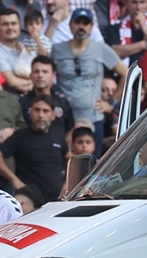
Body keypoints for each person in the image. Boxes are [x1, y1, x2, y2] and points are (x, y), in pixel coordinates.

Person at [51, 8, 126, 155]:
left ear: (91, 27)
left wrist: (111, 103)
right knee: (65, 165)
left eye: (85, 23)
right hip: (65, 120)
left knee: (93, 166)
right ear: (70, 25)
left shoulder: (100, 48)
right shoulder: (57, 49)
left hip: (93, 118)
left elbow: (126, 74)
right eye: (77, 22)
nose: (81, 26)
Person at [0, 94, 70, 200]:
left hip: (56, 200)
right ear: (30, 112)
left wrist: (67, 183)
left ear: (53, 115)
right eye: (37, 110)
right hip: (30, 201)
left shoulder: (57, 136)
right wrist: (15, 181)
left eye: (45, 111)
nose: (40, 115)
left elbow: (70, 158)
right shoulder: (20, 136)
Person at [19, 55, 75, 142]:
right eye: (36, 72)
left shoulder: (63, 102)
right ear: (31, 76)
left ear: (53, 77)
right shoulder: (21, 102)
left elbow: (69, 129)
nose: (40, 75)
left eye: (45, 72)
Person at [105, 0, 147, 66]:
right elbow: (112, 52)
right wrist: (143, 45)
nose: (138, 7)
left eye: (142, 2)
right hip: (126, 74)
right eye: (134, 2)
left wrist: (144, 27)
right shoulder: (115, 28)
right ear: (127, 3)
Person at [0, 8, 35, 95]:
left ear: (19, 27)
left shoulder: (25, 49)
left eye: (14, 24)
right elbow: (12, 82)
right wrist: (36, 85)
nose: (10, 27)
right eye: (5, 24)